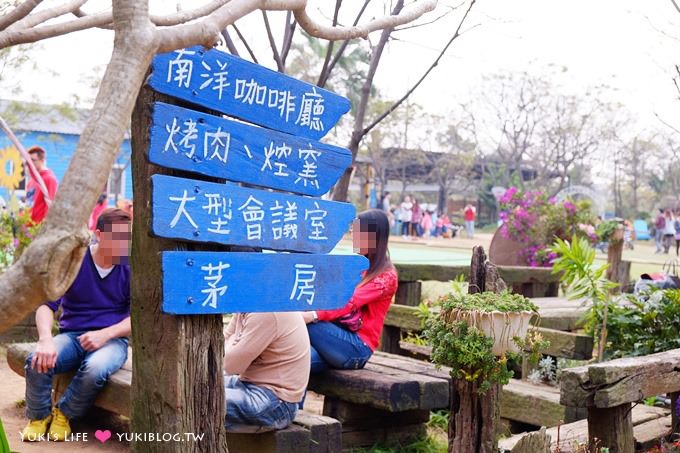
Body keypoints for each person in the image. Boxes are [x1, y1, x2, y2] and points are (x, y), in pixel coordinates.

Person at [21, 209, 131, 442]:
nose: (124, 244)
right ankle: (39, 416)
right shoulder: (75, 262)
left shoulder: (132, 267)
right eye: (119, 237)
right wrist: (45, 340)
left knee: (95, 369)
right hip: (72, 336)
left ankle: (64, 414)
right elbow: (45, 305)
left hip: (112, 340)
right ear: (99, 235)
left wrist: (105, 334)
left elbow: (138, 318)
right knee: (36, 360)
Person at [304, 209, 398, 372]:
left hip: (357, 348)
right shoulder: (357, 267)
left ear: (373, 237)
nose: (354, 239)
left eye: (358, 234)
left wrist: (312, 315)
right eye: (353, 233)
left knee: (303, 324)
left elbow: (348, 301)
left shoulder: (386, 277)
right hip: (334, 340)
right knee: (295, 362)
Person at [223, 311, 309, 432]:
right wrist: (233, 345)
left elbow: (230, 366)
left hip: (277, 404)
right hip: (248, 384)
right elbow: (222, 341)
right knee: (193, 385)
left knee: (197, 398)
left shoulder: (265, 312)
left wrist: (231, 346)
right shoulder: (247, 304)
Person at [25, 146, 58, 224]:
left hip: (39, 227)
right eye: (28, 161)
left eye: (32, 160)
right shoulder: (32, 180)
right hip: (28, 227)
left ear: (42, 160)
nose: (30, 164)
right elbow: (29, 204)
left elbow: (50, 205)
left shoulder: (49, 179)